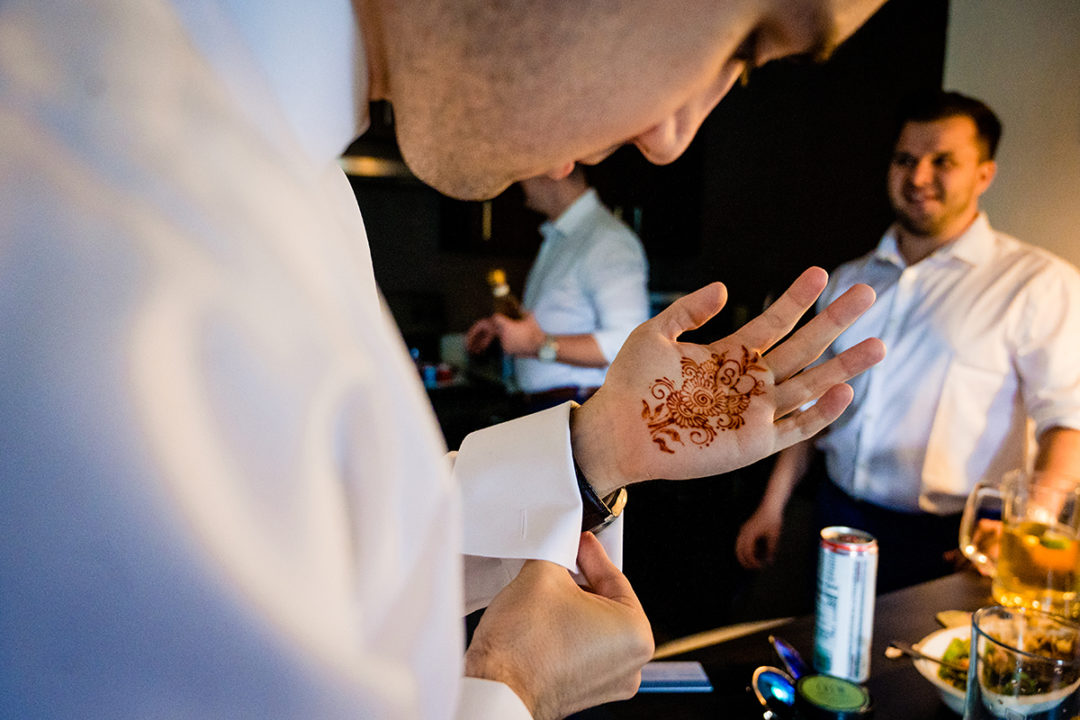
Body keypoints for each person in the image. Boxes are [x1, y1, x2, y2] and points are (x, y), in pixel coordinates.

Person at [0, 1, 889, 718]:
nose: (672, 138)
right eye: (744, 40)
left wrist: (599, 447)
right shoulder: (96, 211)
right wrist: (506, 693)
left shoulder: (301, 178)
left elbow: (335, 533)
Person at [735, 91, 1080, 593]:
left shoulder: (1039, 283)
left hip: (954, 539)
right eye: (905, 160)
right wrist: (771, 505)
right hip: (836, 515)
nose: (918, 178)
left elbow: (1067, 423)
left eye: (943, 161)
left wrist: (1028, 524)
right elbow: (812, 403)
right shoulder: (849, 280)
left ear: (984, 174)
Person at [465, 166, 649, 410]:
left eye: (524, 167)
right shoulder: (562, 236)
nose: (516, 178)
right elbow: (562, 316)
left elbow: (627, 344)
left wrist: (537, 344)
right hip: (552, 408)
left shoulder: (607, 241)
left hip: (579, 409)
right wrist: (507, 327)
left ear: (555, 168)